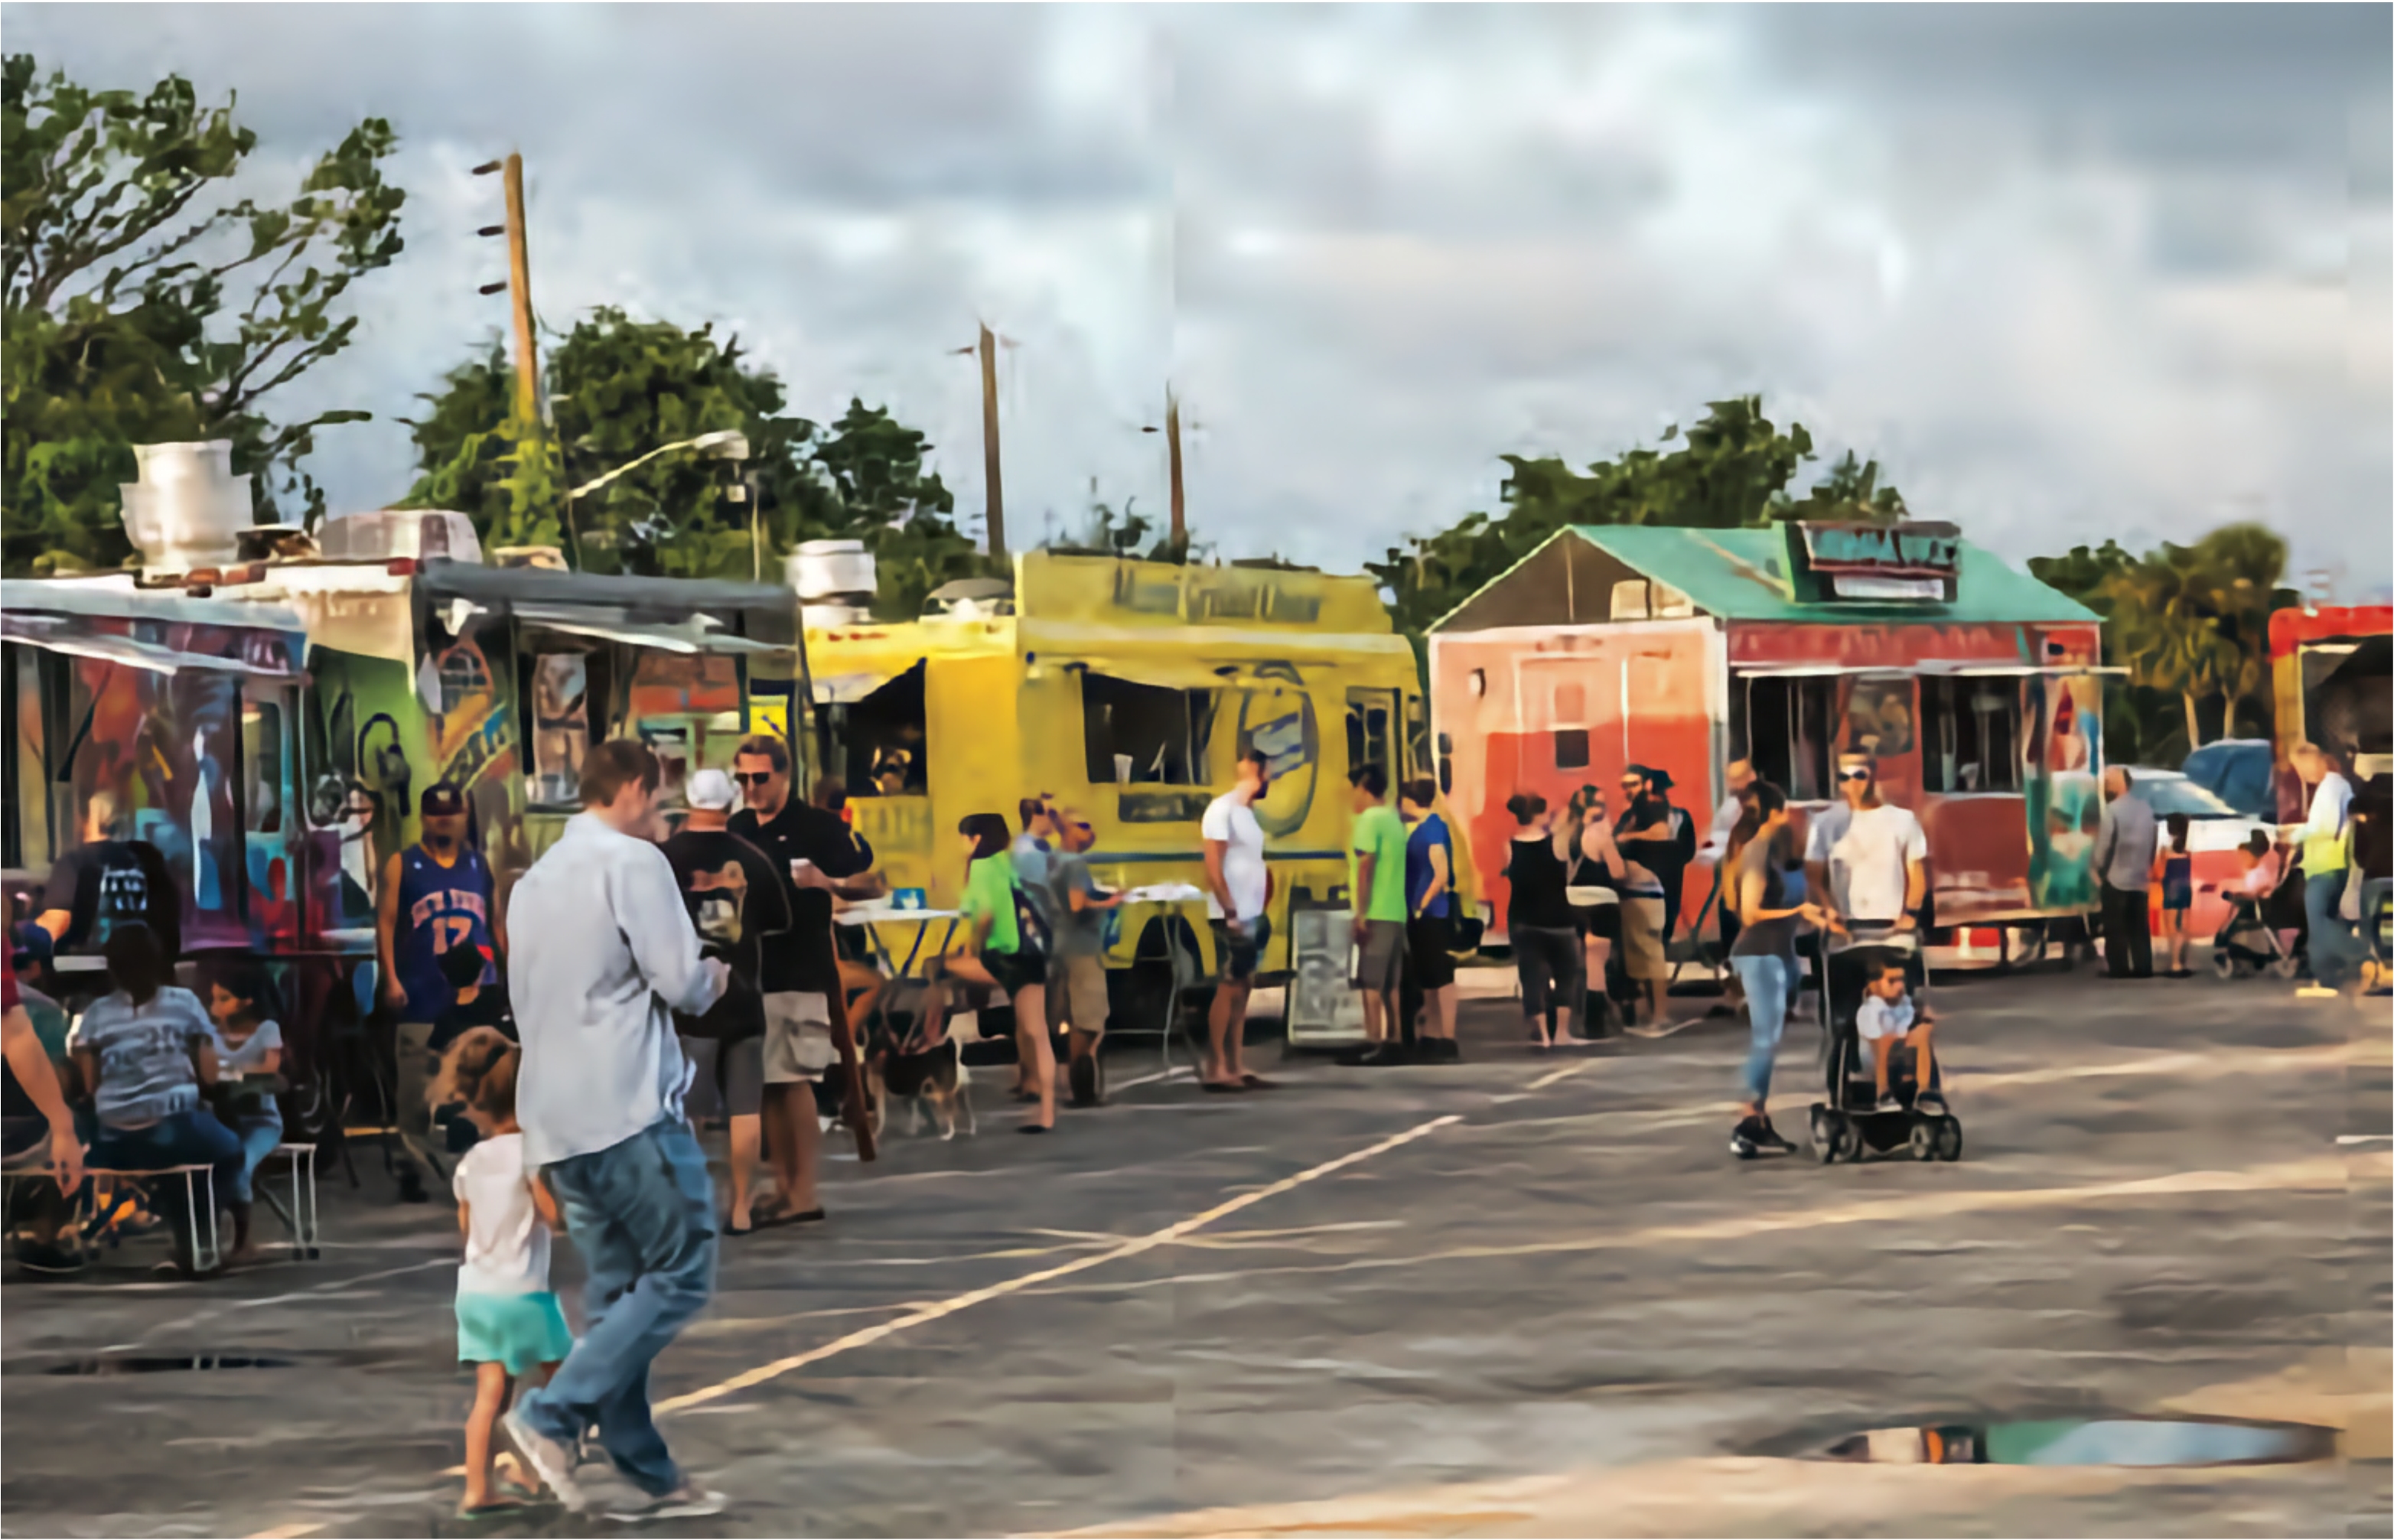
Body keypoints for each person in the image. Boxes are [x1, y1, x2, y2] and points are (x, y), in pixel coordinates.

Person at [502, 738, 731, 1520]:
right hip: (627, 1106)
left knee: (618, 1295)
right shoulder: (634, 865)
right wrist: (716, 973)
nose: (663, 818)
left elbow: (526, 1002)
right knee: (684, 1266)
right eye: (660, 802)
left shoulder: (532, 884)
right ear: (632, 789)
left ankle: (649, 1472)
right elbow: (682, 983)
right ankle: (553, 1415)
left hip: (557, 1120)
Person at [726, 734, 878, 1226]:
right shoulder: (739, 827)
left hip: (801, 970)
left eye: (760, 778)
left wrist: (826, 883)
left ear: (784, 776)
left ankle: (805, 1191)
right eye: (742, 779)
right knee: (768, 1084)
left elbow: (873, 883)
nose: (751, 787)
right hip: (754, 971)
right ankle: (782, 1184)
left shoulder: (819, 828)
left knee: (794, 1081)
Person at [439, 1027, 573, 1519]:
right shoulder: (530, 1156)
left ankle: (478, 1489)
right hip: (523, 1293)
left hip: (477, 1292)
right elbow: (551, 1216)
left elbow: (467, 1223)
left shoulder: (471, 1162)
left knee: (489, 1395)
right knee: (566, 1382)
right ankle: (537, 1468)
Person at [67, 924, 243, 1276]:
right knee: (229, 1152)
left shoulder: (97, 1015)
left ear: (112, 968)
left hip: (112, 1142)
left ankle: (184, 1237)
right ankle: (200, 1241)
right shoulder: (184, 1004)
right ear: (159, 962)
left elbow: (89, 1084)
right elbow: (210, 1075)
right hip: (173, 1128)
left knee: (178, 1161)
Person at [662, 768, 790, 1235]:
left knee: (688, 1112)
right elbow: (779, 921)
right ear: (732, 802)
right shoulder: (751, 857)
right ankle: (740, 1208)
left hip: (686, 1001)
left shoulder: (661, 859)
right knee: (745, 1107)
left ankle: (693, 1209)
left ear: (687, 799)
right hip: (743, 993)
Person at [377, 781, 505, 1195]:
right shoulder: (403, 864)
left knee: (480, 1087)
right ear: (424, 817)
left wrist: (511, 974)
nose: (444, 820)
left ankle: (482, 1168)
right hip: (420, 993)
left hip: (474, 998)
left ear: (465, 816)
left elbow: (497, 925)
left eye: (452, 813)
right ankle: (410, 1170)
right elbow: (387, 922)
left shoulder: (479, 866)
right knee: (414, 1092)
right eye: (436, 813)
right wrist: (391, 977)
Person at [930, 812, 1054, 1132]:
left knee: (937, 967)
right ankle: (1047, 1112)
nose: (961, 844)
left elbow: (983, 917)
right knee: (1036, 1031)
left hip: (1003, 959)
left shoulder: (982, 868)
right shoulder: (1005, 863)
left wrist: (971, 948)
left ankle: (929, 1042)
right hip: (1031, 954)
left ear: (975, 839)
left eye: (963, 837)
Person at [1725, 782, 1829, 1156]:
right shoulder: (1755, 852)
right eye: (1785, 810)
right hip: (1759, 954)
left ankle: (1759, 1120)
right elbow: (1750, 913)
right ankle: (1748, 1115)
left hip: (1779, 954)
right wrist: (1798, 912)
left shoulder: (1774, 850)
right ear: (1775, 813)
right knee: (1765, 1039)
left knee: (1772, 1034)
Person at [1803, 751, 1930, 1027]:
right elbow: (1814, 875)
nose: (1853, 783)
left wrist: (1911, 911)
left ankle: (1897, 1058)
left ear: (1872, 776)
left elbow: (1916, 873)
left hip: (1891, 929)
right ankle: (1845, 1053)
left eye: (1859, 775)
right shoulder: (1824, 823)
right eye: (1844, 777)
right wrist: (1827, 908)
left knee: (1900, 1012)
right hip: (1846, 930)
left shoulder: (1902, 820)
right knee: (1842, 1014)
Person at [201, 964, 287, 1265]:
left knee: (240, 1166)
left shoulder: (267, 1030)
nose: (215, 1007)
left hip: (260, 1122)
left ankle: (243, 1240)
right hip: (222, 1120)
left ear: (247, 1000)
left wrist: (228, 1072)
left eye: (223, 999)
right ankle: (204, 1238)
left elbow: (268, 1070)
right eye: (213, 1000)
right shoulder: (209, 1035)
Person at [1201, 748, 1275, 1092]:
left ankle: (1236, 1063)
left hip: (1251, 912)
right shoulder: (1223, 810)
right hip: (1230, 914)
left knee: (1244, 986)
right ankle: (1215, 1066)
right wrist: (1228, 907)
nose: (1269, 780)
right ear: (1256, 773)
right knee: (1228, 985)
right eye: (1267, 773)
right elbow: (1213, 865)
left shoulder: (1248, 814)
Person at [34, 790, 177, 962]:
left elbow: (57, 923)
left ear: (86, 821)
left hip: (90, 968)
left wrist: (25, 932)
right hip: (145, 967)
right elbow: (169, 914)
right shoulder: (149, 859)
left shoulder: (75, 862)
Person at [1047, 809, 1123, 1106]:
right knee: (1089, 1022)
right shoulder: (1076, 863)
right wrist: (1110, 902)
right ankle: (1083, 1091)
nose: (1090, 832)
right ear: (1066, 830)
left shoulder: (1054, 860)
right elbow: (1078, 904)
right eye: (1083, 826)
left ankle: (1076, 1085)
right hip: (1082, 949)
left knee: (1071, 1017)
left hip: (1060, 944)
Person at [1505, 793, 1590, 1049]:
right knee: (1566, 976)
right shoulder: (1558, 843)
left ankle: (1542, 1035)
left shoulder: (1509, 846)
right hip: (1558, 921)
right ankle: (1561, 1033)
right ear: (1541, 815)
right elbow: (1567, 824)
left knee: (1532, 978)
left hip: (1523, 921)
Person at [2, 948, 84, 1201]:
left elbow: (15, 1035)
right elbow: (15, 1035)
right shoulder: (45, 1009)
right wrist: (62, 1126)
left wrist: (62, 1127)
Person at [1343, 765, 1411, 1066]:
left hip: (1376, 911)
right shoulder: (1395, 820)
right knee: (1391, 984)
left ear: (1365, 787)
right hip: (1397, 912)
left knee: (1370, 983)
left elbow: (1366, 868)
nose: (1353, 796)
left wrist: (1361, 914)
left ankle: (1374, 1041)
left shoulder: (1368, 820)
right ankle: (1395, 1040)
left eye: (1355, 789)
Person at [2285, 741, 2363, 997]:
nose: (2301, 775)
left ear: (2311, 761)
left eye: (2300, 769)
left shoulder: (2330, 788)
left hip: (2325, 867)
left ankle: (2363, 953)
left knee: (2320, 926)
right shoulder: (2338, 785)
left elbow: (2326, 828)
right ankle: (2330, 978)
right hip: (2330, 865)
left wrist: (2294, 835)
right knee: (2322, 925)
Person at [1398, 779, 1461, 1063]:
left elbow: (1441, 872)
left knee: (1440, 975)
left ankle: (1447, 1035)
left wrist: (1422, 904)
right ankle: (1433, 1033)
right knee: (1428, 977)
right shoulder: (1426, 828)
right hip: (1423, 912)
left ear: (1412, 801)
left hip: (1432, 912)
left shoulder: (1433, 829)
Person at [1614, 767, 1677, 1033]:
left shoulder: (1654, 809)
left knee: (1651, 956)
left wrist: (1626, 837)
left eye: (1634, 784)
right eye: (1625, 785)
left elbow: (1662, 833)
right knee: (1639, 959)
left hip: (1647, 891)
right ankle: (1650, 1014)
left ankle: (1660, 1015)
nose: (1629, 790)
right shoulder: (1630, 814)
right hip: (1630, 893)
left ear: (1647, 784)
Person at [1564, 786, 1629, 1035]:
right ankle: (1594, 1022)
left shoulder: (1565, 834)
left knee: (1580, 959)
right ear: (1594, 809)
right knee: (1596, 965)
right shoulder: (1600, 836)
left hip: (1571, 902)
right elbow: (1618, 872)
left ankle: (1573, 1015)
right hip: (1599, 903)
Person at [2091, 766, 2157, 980]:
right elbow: (2154, 841)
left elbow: (2104, 845)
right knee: (2139, 927)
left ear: (2119, 784)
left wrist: (2096, 868)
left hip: (2116, 876)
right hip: (2140, 877)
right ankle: (2143, 966)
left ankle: (2119, 969)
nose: (2106, 785)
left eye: (2109, 781)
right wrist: (2147, 865)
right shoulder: (2146, 809)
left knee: (2116, 927)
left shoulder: (2112, 811)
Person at [1856, 958, 1940, 1112]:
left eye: (1901, 980)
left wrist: (1923, 1021)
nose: (1900, 986)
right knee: (1884, 1040)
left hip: (1902, 1055)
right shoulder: (1870, 1009)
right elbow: (1874, 1037)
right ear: (1874, 985)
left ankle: (1925, 1092)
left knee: (1923, 1033)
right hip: (1875, 1059)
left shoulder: (1905, 1004)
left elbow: (1907, 1029)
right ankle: (1883, 1093)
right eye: (1892, 981)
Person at [2155, 812, 2194, 978]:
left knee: (2170, 927)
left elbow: (2159, 873)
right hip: (2186, 888)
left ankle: (2175, 962)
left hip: (2170, 889)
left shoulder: (2165, 851)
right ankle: (2183, 961)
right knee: (2183, 926)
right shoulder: (2187, 852)